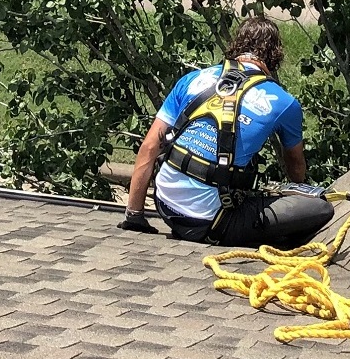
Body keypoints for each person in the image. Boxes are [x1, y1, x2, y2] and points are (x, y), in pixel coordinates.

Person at [119, 16, 334, 249]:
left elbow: (150, 147)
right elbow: (295, 165)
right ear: (275, 55)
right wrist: (299, 191)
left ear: (237, 45)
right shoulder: (284, 102)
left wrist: (135, 216)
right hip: (211, 222)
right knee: (320, 207)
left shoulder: (193, 79)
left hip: (165, 204)